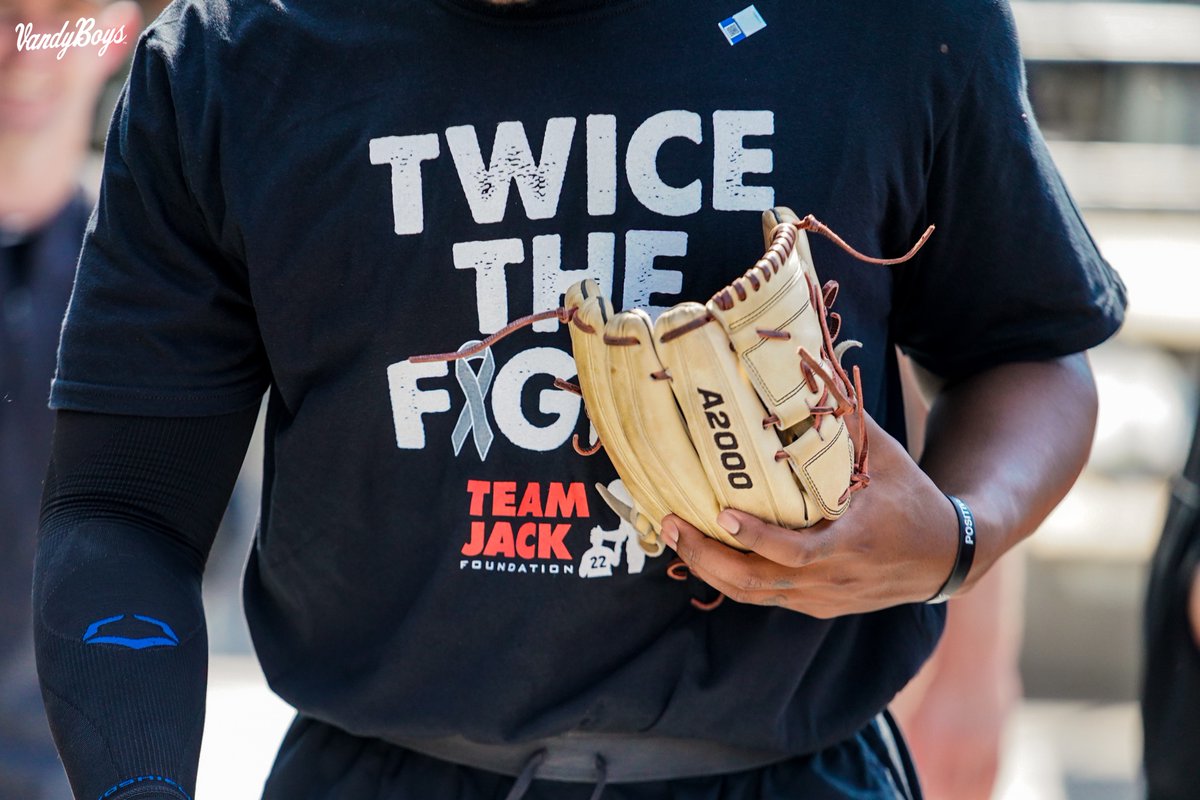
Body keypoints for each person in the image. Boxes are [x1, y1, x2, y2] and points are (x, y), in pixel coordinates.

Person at [33, 1, 1126, 799]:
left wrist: (955, 535)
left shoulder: (885, 25)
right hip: (382, 769)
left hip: (787, 767)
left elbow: (1028, 347)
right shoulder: (239, 58)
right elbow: (123, 509)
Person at [0, 1, 139, 797]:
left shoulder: (153, 292)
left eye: (61, 16)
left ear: (117, 31)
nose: (27, 50)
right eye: (8, 14)